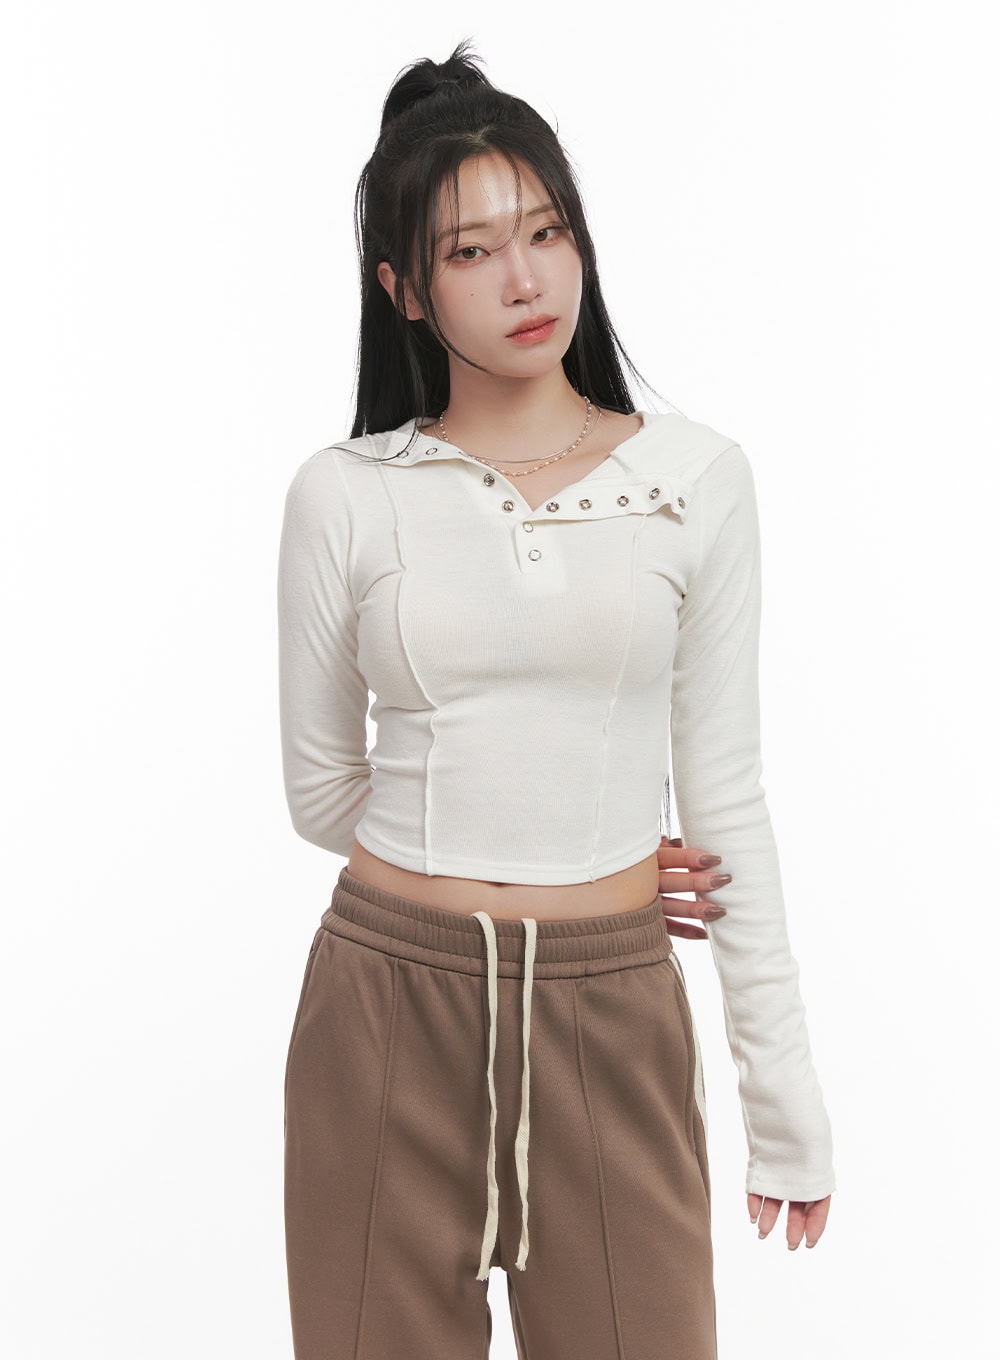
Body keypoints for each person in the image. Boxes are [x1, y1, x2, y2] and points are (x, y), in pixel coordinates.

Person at [277, 38, 835, 1360]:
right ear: (402, 290)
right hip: (386, 1010)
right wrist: (515, 833)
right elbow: (320, 790)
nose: (525, 279)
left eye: (546, 231)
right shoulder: (347, 493)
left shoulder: (696, 481)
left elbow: (727, 797)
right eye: (470, 252)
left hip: (612, 1009)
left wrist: (785, 1101)